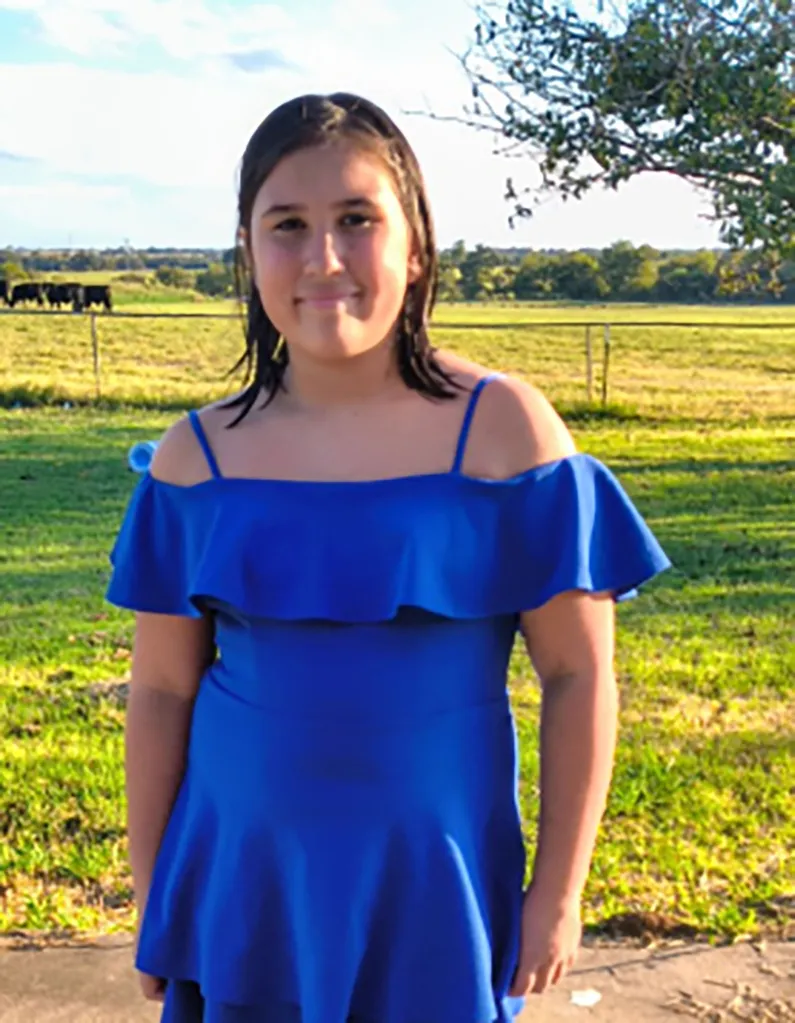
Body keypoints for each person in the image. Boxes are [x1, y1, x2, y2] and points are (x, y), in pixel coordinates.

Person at [106, 92, 671, 1023]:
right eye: (287, 224)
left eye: (357, 219)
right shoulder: (193, 459)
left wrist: (557, 894)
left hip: (434, 891)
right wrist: (151, 888)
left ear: (415, 247)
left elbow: (578, 672)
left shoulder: (504, 433)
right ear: (247, 254)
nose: (323, 258)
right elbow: (163, 691)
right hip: (245, 891)